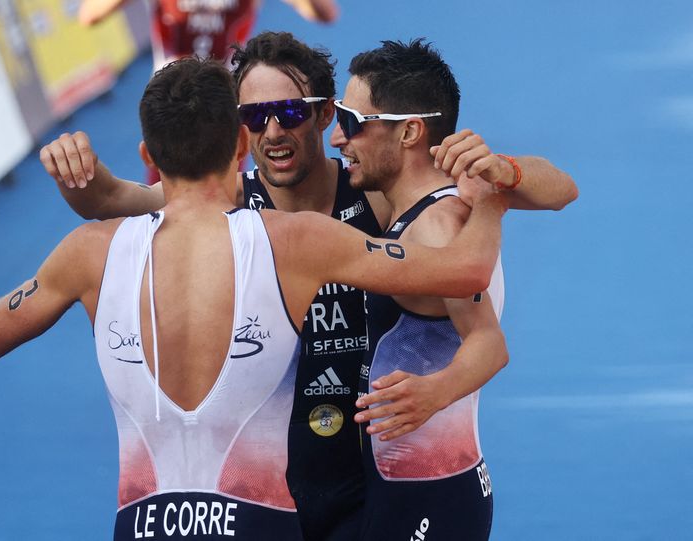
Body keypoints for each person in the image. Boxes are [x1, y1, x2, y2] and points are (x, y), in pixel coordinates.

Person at [39, 32, 577, 540]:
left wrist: (502, 170)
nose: (272, 131)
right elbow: (110, 202)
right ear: (237, 129)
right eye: (253, 116)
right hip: (269, 485)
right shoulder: (221, 204)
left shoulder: (376, 189)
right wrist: (79, 173)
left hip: (368, 477)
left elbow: (557, 190)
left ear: (323, 116)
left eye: (291, 112)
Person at [327, 39, 524, 540]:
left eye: (350, 121)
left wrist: (432, 393)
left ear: (410, 131)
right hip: (409, 483)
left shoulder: (436, 226)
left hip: (429, 496)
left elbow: (490, 344)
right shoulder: (410, 210)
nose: (336, 137)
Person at [77, 0, 339, 185]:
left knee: (228, 198)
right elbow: (89, 15)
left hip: (223, 105)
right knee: (162, 201)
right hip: (170, 104)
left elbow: (325, 13)